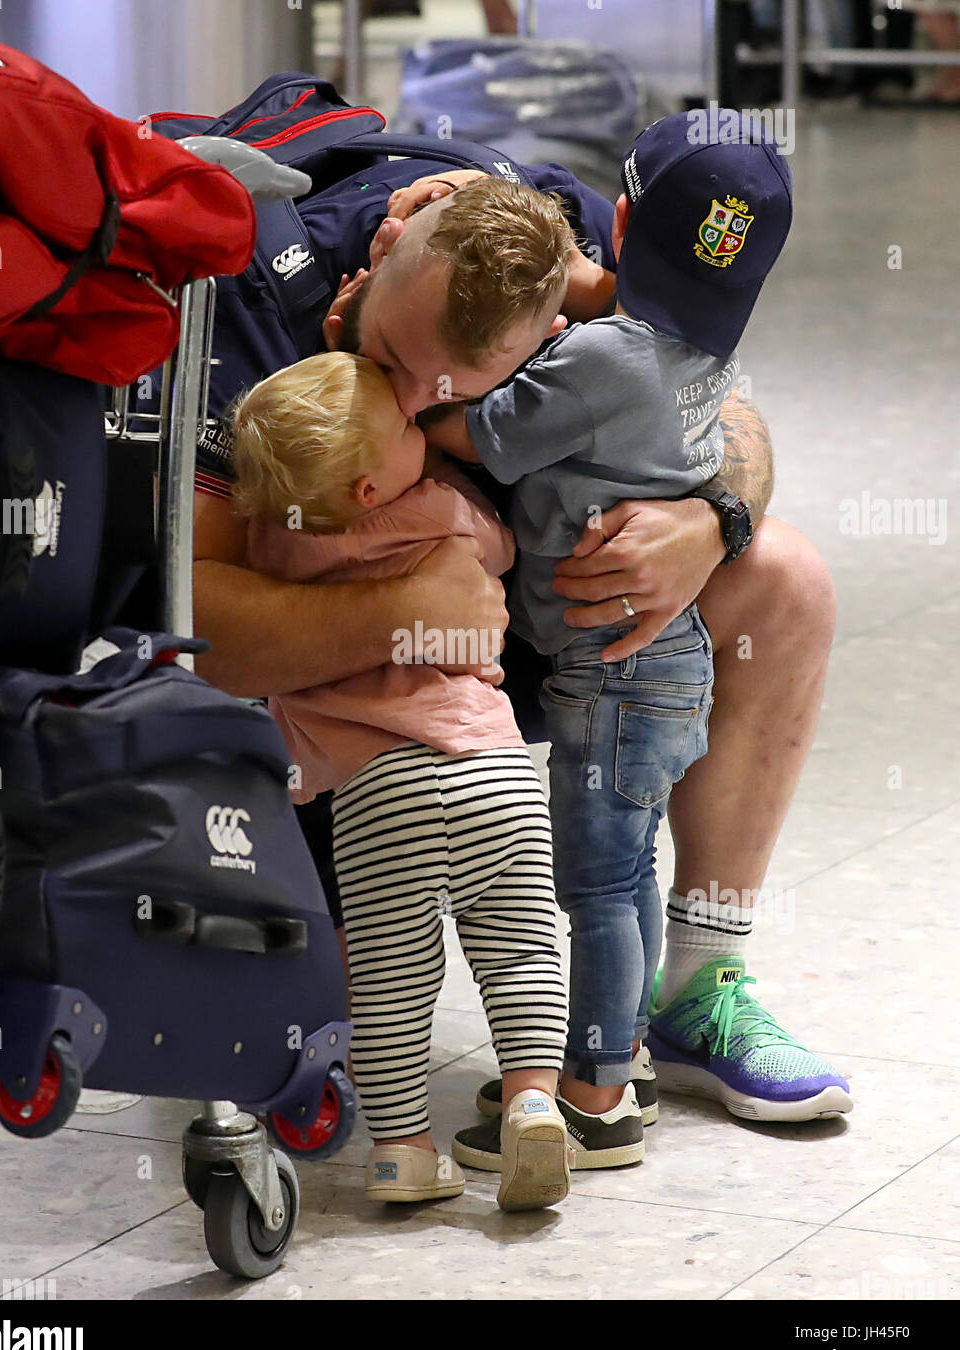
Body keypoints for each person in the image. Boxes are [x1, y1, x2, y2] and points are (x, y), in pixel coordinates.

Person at [191, 143, 839, 1126]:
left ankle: (696, 985)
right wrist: (399, 614)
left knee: (783, 577)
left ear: (554, 317)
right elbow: (191, 612)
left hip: (542, 620)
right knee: (337, 992)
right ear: (387, 239)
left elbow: (725, 414)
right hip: (326, 691)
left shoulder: (558, 247)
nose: (411, 408)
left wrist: (710, 527)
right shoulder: (238, 287)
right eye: (393, 366)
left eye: (452, 393)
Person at [423, 115, 852, 1174]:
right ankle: (621, 1053)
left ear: (615, 223)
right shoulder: (704, 348)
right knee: (624, 873)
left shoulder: (605, 353)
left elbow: (480, 435)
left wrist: (405, 391)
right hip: (666, 669)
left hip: (600, 672)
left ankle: (595, 1091)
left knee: (599, 884)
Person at [231, 350, 572, 1212]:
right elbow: (500, 548)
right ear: (370, 491)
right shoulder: (443, 512)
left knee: (388, 978)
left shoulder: (275, 546)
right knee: (522, 945)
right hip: (491, 768)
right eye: (407, 429)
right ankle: (533, 1101)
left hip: (380, 799)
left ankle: (401, 1152)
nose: (420, 428)